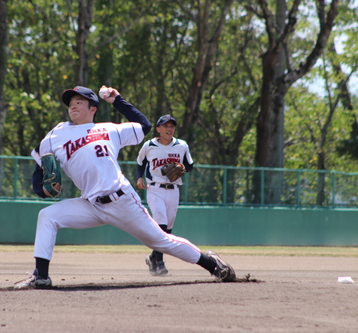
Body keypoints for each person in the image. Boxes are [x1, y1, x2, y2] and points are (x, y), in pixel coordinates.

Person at [14, 85, 235, 289]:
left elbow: (144, 126)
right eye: (70, 102)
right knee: (47, 215)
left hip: (121, 200)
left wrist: (117, 100)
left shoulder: (109, 129)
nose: (73, 104)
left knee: (161, 240)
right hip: (91, 204)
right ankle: (41, 276)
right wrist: (41, 190)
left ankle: (213, 265)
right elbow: (40, 168)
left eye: (79, 101)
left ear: (93, 108)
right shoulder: (55, 135)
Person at [136, 115, 194, 276]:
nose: (169, 129)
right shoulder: (149, 145)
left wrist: (182, 167)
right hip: (155, 188)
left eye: (172, 126)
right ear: (158, 129)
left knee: (168, 229)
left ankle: (153, 257)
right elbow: (140, 163)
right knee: (160, 221)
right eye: (165, 126)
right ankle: (159, 262)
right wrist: (140, 177)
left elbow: (190, 165)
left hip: (174, 189)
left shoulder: (181, 145)